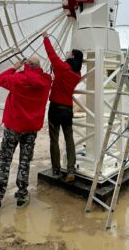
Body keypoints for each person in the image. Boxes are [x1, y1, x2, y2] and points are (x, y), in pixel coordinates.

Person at [0, 57, 52, 214]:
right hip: (30, 129)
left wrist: (15, 67)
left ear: (27, 66)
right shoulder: (46, 82)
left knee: (5, 160)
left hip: (13, 128)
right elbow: (47, 76)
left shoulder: (17, 79)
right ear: (38, 67)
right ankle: (22, 195)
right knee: (24, 161)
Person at [42, 31, 83, 183]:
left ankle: (56, 170)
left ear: (72, 57)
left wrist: (46, 38)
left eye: (69, 53)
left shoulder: (63, 68)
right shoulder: (77, 74)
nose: (67, 53)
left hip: (55, 109)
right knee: (69, 139)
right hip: (67, 110)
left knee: (54, 139)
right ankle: (71, 169)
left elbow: (51, 54)